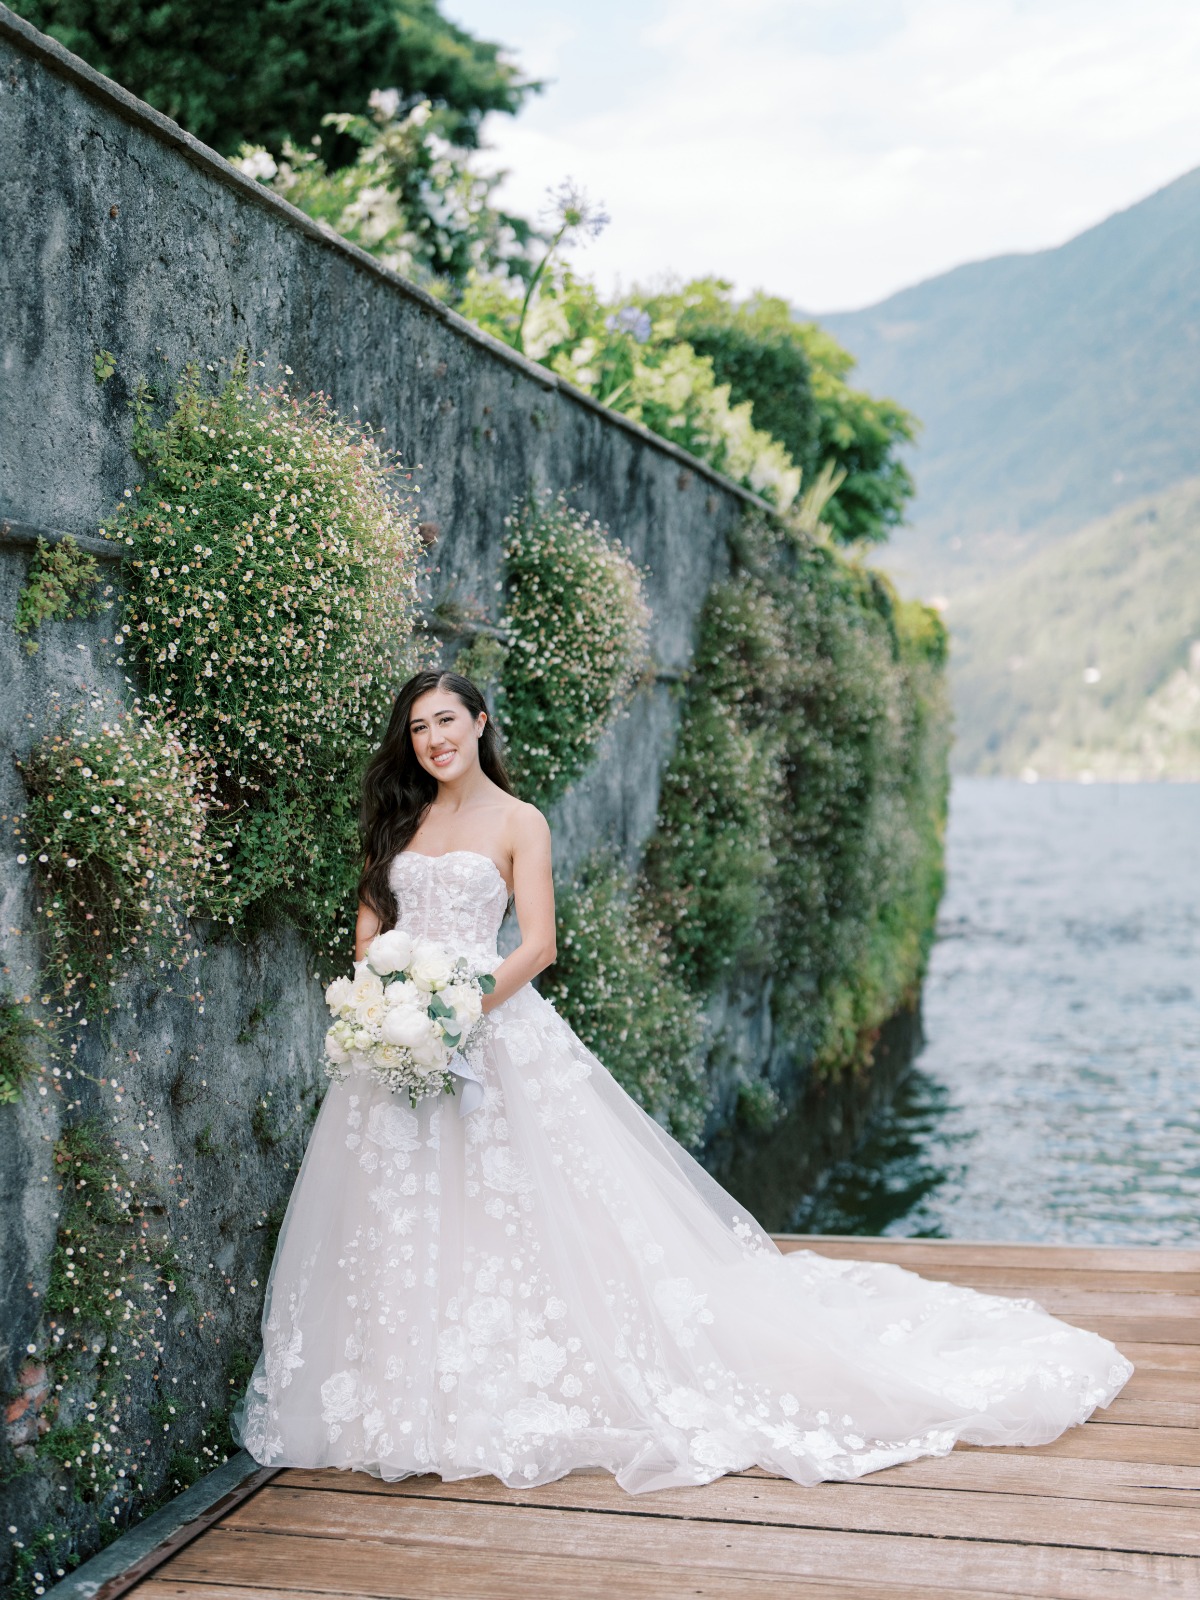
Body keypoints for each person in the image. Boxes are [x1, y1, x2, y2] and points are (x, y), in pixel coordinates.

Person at [233, 669, 1132, 1493]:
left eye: (447, 721)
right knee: (395, 1210)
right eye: (419, 727)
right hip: (397, 1045)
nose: (434, 739)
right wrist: (395, 1009)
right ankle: (404, 1384)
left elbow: (537, 945)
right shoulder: (398, 822)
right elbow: (369, 932)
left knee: (520, 1206)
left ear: (479, 723)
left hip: (490, 1028)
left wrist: (458, 1006)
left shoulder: (519, 821)